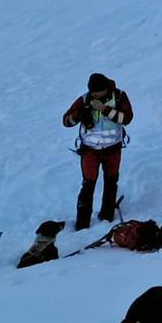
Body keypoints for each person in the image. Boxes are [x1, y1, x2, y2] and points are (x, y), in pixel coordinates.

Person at [62, 73, 134, 230]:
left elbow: (127, 118)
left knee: (111, 182)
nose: (94, 95)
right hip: (89, 151)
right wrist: (79, 115)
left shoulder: (119, 96)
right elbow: (66, 121)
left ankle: (107, 216)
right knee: (88, 185)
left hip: (113, 149)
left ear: (105, 89)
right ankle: (82, 224)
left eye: (97, 92)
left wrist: (105, 109)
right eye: (92, 92)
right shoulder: (84, 99)